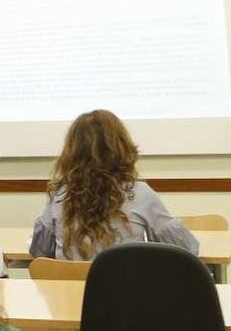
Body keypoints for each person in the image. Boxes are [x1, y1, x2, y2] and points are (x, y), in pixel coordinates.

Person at [30, 109, 198, 260]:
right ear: (122, 147)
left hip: (66, 294)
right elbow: (187, 249)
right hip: (125, 293)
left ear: (71, 152)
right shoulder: (140, 194)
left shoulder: (61, 195)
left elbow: (40, 251)